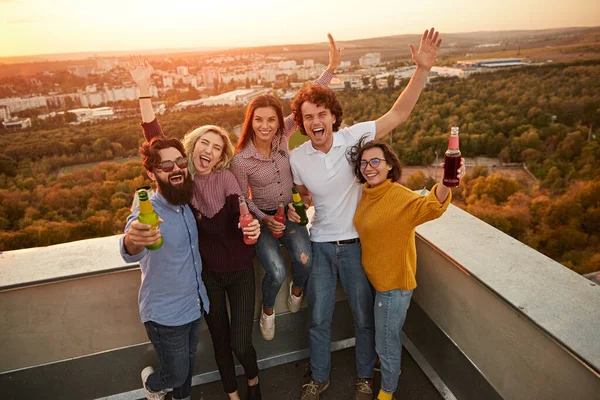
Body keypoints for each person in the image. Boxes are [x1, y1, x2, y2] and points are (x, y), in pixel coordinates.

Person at [288, 28, 443, 400]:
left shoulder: (354, 138)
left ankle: (362, 376)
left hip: (359, 246)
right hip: (321, 245)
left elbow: (399, 113)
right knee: (320, 318)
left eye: (321, 113)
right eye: (307, 117)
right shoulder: (297, 158)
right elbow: (301, 193)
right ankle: (319, 378)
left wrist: (422, 69)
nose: (315, 122)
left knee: (363, 318)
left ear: (332, 116)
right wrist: (293, 211)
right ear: (301, 123)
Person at [128, 58, 263, 400]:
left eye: (218, 148)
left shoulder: (226, 179)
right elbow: (154, 142)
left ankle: (253, 384)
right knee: (218, 341)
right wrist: (143, 89)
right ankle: (232, 396)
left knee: (239, 342)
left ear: (220, 158)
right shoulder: (181, 185)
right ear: (194, 146)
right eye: (205, 143)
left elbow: (242, 212)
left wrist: (251, 229)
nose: (210, 150)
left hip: (237, 271)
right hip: (208, 280)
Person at [230, 33, 343, 340]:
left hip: (289, 212)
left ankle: (298, 290)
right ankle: (268, 311)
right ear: (250, 122)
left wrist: (331, 67)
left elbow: (309, 102)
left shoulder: (282, 135)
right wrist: (262, 217)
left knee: (306, 260)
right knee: (277, 270)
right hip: (261, 218)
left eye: (270, 120)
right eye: (258, 121)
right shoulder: (241, 160)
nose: (265, 126)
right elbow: (240, 197)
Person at [348, 137, 464, 400]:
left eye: (375, 161)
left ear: (390, 166)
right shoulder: (368, 193)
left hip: (394, 286)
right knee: (383, 337)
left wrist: (447, 183)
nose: (369, 167)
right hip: (377, 282)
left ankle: (387, 392)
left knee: (386, 343)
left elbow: (432, 206)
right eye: (364, 163)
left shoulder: (399, 197)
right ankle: (385, 367)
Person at [120, 136, 210, 400]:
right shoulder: (147, 210)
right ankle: (151, 383)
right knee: (175, 374)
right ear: (152, 173)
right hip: (165, 314)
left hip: (195, 303)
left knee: (188, 364)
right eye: (165, 166)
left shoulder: (185, 202)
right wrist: (134, 239)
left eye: (180, 162)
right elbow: (130, 244)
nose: (176, 169)